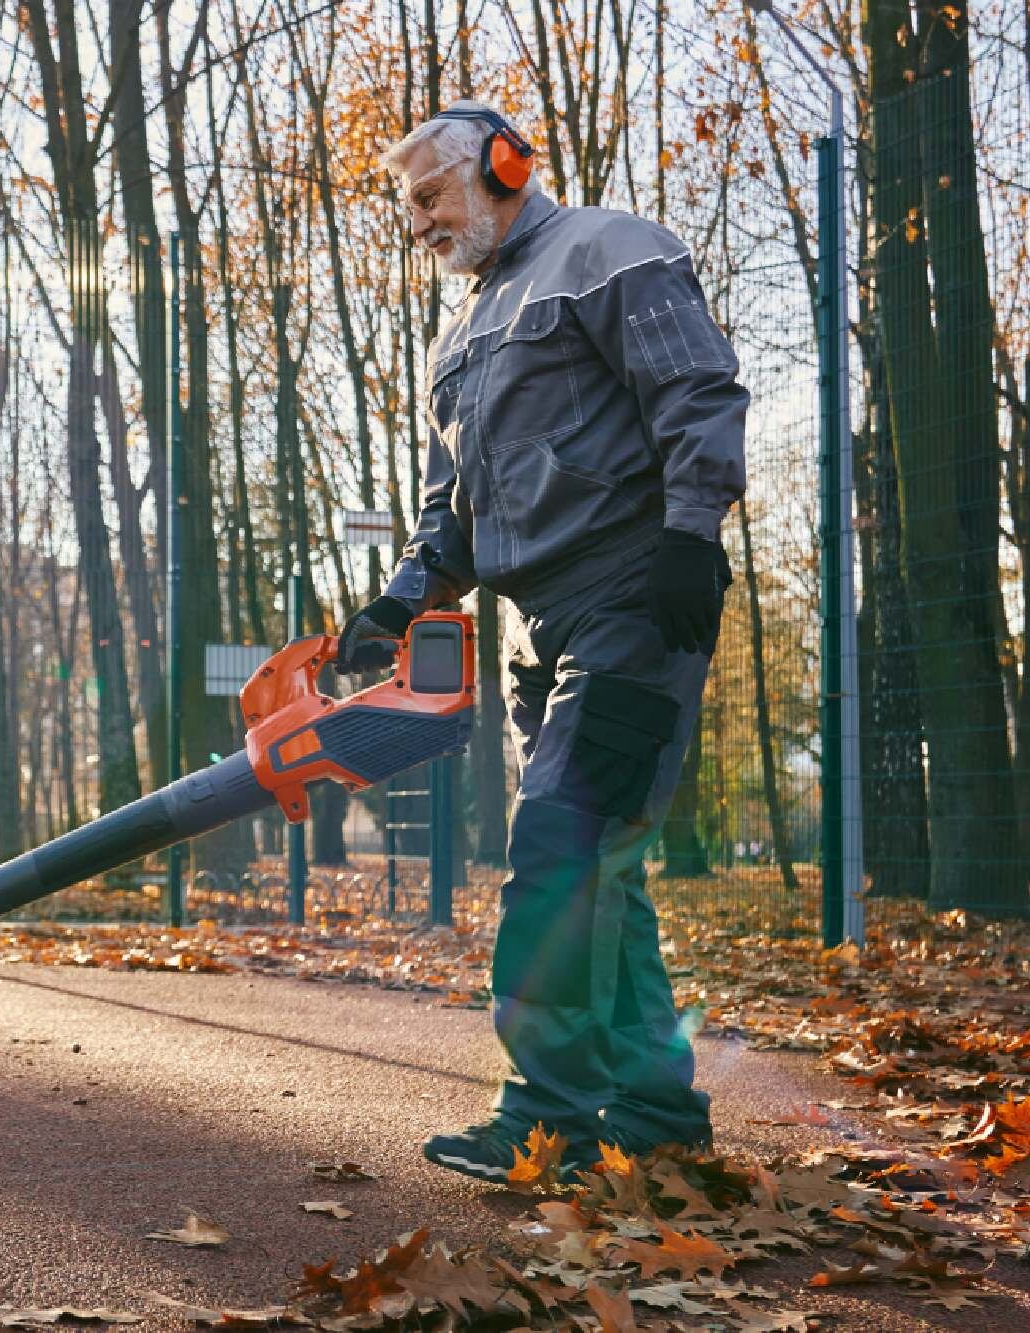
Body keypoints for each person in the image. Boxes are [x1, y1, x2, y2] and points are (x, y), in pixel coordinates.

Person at [335, 102, 746, 1182]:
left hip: (634, 599)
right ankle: (651, 1106)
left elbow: (695, 391)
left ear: (504, 166)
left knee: (558, 849)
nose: (416, 218)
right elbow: (451, 511)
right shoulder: (455, 337)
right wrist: (395, 603)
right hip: (539, 623)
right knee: (602, 858)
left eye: (430, 193)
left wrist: (690, 536)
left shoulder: (608, 252)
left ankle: (548, 1116)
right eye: (406, 203)